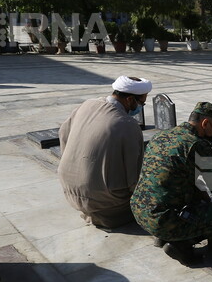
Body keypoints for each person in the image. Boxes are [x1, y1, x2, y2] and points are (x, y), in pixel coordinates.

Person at [130, 102, 212, 264]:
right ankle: (181, 244)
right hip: (164, 221)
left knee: (195, 198)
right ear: (205, 123)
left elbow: (167, 177)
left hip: (139, 211)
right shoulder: (197, 144)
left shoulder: (163, 135)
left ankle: (161, 236)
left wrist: (198, 193)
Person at [58, 75, 150, 229]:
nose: (141, 106)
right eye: (142, 102)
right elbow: (134, 177)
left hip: (69, 191)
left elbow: (63, 134)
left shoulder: (87, 104)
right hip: (106, 203)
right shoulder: (127, 124)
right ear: (129, 100)